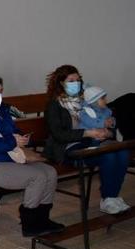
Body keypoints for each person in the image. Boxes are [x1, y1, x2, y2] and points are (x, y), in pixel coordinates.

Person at [0, 74, 64, 236]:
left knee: (50, 172)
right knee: (37, 177)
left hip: (9, 157)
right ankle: (30, 223)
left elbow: (11, 131)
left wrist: (21, 138)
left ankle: (42, 218)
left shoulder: (0, 110)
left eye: (0, 91)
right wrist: (11, 141)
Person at [44, 65, 130, 214]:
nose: (76, 83)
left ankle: (112, 197)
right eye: (71, 80)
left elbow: (106, 119)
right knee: (107, 155)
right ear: (61, 83)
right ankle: (108, 198)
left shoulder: (88, 100)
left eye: (78, 80)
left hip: (92, 143)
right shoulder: (54, 105)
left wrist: (108, 132)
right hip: (69, 148)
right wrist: (87, 133)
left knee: (122, 152)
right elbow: (59, 135)